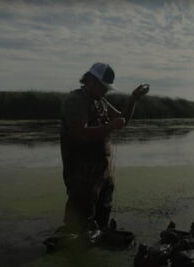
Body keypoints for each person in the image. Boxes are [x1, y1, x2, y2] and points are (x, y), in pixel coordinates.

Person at [60, 62, 149, 233]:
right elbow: (79, 133)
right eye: (104, 87)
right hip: (82, 176)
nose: (106, 91)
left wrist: (133, 99)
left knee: (101, 223)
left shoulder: (100, 101)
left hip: (103, 173)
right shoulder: (75, 101)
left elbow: (122, 119)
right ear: (91, 81)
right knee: (77, 226)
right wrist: (110, 127)